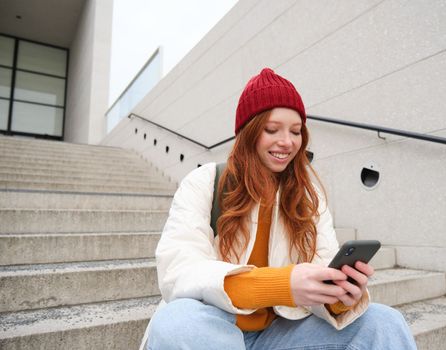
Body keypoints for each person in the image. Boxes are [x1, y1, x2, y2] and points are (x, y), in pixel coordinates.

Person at [144, 68, 417, 349]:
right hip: (212, 331)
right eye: (272, 130)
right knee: (177, 323)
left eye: (296, 131)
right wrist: (281, 285)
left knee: (384, 322)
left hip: (278, 336)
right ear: (248, 133)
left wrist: (339, 297)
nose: (287, 142)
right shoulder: (205, 182)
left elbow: (322, 268)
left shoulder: (308, 197)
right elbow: (178, 270)